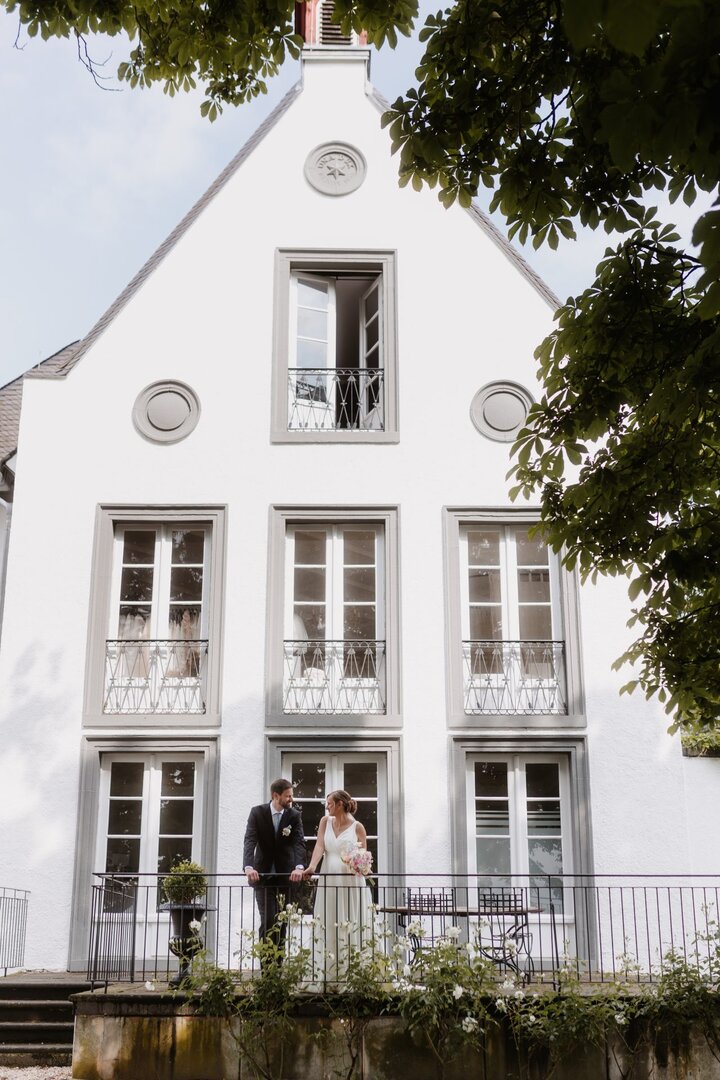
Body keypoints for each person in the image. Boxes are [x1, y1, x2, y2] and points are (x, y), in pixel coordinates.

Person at [303, 789, 375, 985]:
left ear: (340, 804)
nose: (327, 807)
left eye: (330, 803)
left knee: (349, 920)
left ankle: (352, 974)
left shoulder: (357, 827)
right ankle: (327, 975)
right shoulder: (325, 822)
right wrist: (312, 867)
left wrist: (359, 864)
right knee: (328, 919)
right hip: (328, 878)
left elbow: (363, 855)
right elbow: (319, 846)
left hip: (350, 881)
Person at [243, 778, 307, 954]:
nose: (291, 799)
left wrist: (299, 867)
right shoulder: (257, 813)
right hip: (262, 878)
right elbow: (250, 840)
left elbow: (299, 843)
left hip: (286, 878)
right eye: (288, 796)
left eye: (291, 796)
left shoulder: (294, 816)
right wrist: (248, 867)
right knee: (268, 920)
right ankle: (267, 973)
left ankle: (277, 971)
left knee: (282, 922)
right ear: (275, 795)